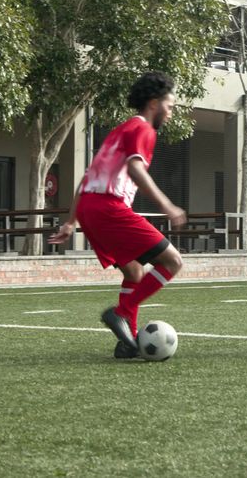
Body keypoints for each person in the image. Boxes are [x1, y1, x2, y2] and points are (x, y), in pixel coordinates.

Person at [49, 72, 187, 359]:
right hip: (109, 209)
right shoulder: (144, 130)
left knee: (135, 271)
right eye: (170, 106)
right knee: (173, 261)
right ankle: (121, 313)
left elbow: (85, 180)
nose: (171, 113)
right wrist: (167, 206)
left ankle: (128, 343)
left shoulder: (119, 131)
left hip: (90, 209)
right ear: (153, 104)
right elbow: (136, 170)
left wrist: (72, 221)